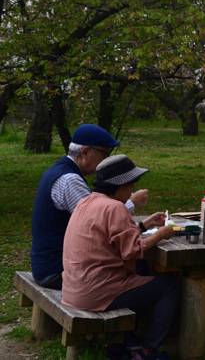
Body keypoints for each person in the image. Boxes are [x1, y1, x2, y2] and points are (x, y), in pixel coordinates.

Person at [62, 155, 179, 360]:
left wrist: (144, 225)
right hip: (95, 293)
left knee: (141, 271)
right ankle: (148, 350)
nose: (132, 191)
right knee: (169, 287)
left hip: (74, 288)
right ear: (119, 186)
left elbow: (113, 238)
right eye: (130, 185)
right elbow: (132, 251)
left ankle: (118, 344)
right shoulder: (116, 207)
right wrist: (161, 234)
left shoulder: (87, 201)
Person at [31, 124, 160, 289]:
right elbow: (98, 219)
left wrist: (142, 225)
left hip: (48, 264)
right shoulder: (70, 180)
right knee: (138, 265)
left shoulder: (59, 171)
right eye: (104, 155)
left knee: (134, 262)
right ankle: (129, 311)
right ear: (85, 152)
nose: (106, 161)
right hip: (57, 269)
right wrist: (131, 202)